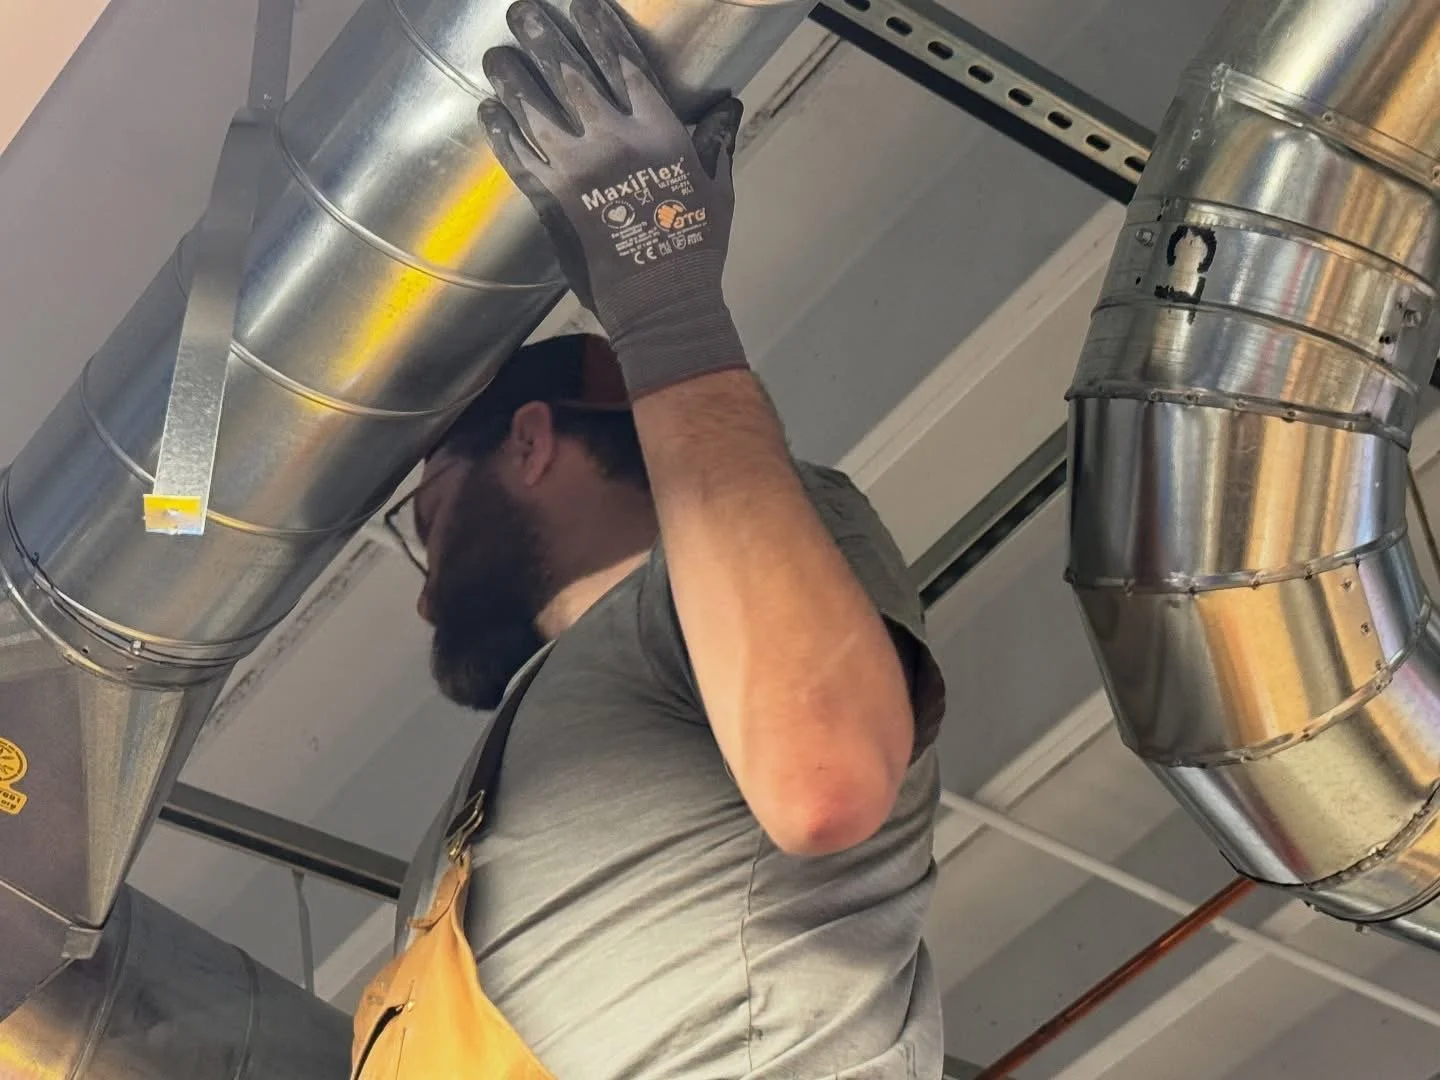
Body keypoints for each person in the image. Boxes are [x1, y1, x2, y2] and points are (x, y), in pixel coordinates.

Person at [354, 0, 947, 1076]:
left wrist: (665, 308)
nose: (426, 600)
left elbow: (825, 775)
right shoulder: (486, 803)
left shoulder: (710, 595)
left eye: (427, 519)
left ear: (530, 444)